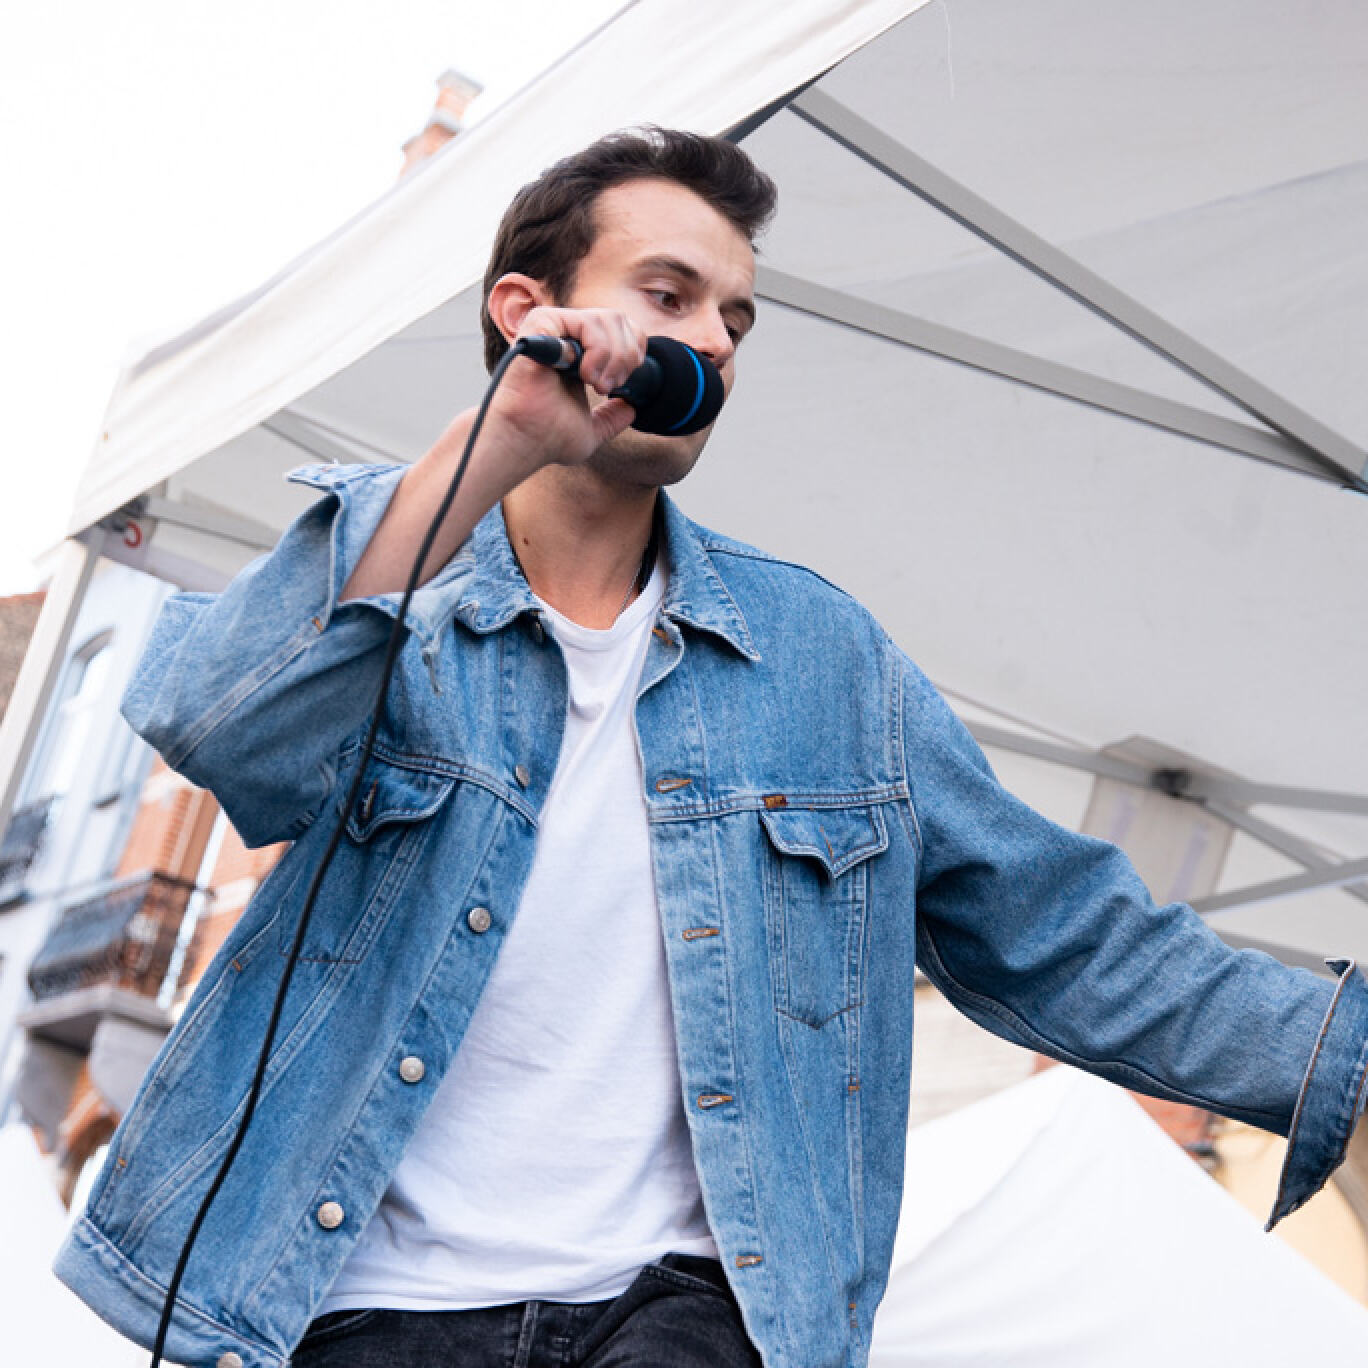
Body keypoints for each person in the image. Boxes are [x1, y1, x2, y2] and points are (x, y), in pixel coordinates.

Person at [57, 128, 1368, 1368]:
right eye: (669, 295)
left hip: (687, 1305)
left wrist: (1342, 1046)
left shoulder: (823, 659)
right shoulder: (397, 581)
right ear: (527, 310)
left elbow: (1070, 938)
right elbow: (221, 724)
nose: (712, 343)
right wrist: (501, 438)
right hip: (371, 1304)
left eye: (735, 318)